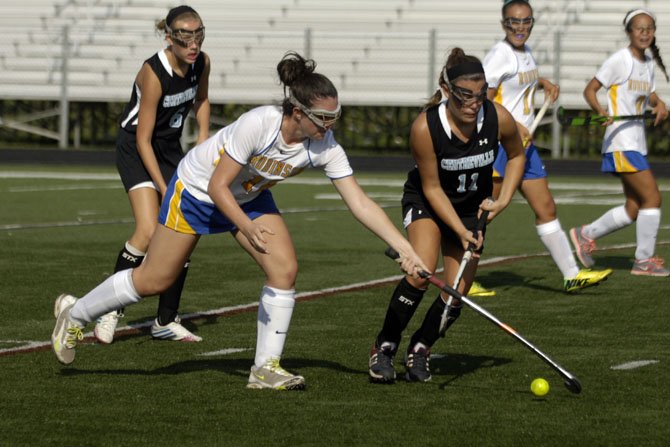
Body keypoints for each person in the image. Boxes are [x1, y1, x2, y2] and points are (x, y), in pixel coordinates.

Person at [52, 51, 429, 390]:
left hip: (247, 195)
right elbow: (218, 185)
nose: (331, 126)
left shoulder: (324, 147)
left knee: (284, 269)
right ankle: (77, 313)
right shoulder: (260, 124)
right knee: (155, 279)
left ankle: (265, 369)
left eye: (336, 117)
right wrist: (246, 228)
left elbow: (360, 202)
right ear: (298, 112)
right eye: (324, 118)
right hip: (199, 191)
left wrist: (405, 249)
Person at [368, 47, 526, 384]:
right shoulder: (425, 128)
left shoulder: (498, 118)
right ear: (447, 90)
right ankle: (384, 346)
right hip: (428, 201)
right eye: (465, 96)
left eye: (480, 95)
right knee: (420, 271)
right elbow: (433, 188)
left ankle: (421, 348)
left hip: (471, 209)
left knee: (457, 291)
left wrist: (503, 200)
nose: (473, 103)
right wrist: (459, 229)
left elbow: (516, 155)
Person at [95, 5, 211, 344]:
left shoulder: (201, 63)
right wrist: (165, 188)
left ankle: (165, 320)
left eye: (198, 34)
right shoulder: (153, 72)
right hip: (136, 147)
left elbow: (202, 100)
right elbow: (143, 139)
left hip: (169, 148)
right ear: (170, 37)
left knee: (184, 231)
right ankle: (109, 310)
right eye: (185, 36)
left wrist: (202, 142)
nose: (193, 43)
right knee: (147, 230)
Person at [482, 0, 612, 293]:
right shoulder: (498, 55)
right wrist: (513, 125)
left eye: (526, 21)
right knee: (484, 212)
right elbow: (484, 102)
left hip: (525, 147)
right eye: (514, 22)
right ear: (504, 24)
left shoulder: (525, 52)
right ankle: (458, 276)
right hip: (502, 145)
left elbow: (517, 81)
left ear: (532, 23)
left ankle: (571, 274)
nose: (520, 27)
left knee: (546, 207)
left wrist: (542, 82)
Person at [570, 8, 669, 277]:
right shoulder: (619, 60)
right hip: (621, 142)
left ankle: (584, 234)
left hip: (636, 142)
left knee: (633, 208)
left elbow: (648, 96)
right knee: (653, 198)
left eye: (649, 28)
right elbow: (590, 89)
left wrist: (659, 104)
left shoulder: (647, 63)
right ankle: (643, 261)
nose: (645, 33)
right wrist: (599, 110)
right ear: (629, 32)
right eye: (639, 28)